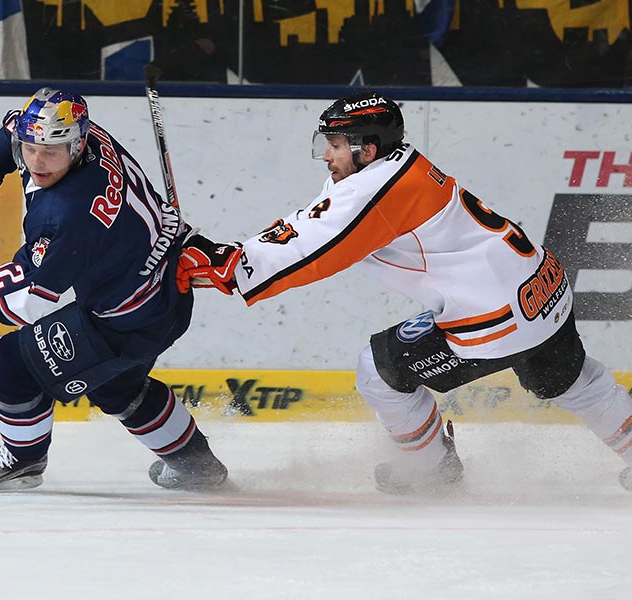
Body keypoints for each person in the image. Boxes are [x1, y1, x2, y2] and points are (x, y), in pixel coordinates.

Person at [177, 91, 632, 494]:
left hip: (497, 316)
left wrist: (228, 266)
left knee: (378, 371)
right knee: (577, 381)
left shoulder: (379, 187)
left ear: (365, 148)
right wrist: (230, 255)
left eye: (334, 146)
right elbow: (313, 221)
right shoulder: (394, 167)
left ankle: (432, 469)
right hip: (543, 287)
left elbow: (316, 249)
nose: (326, 156)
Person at [0, 87, 227, 492]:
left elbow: (23, 300)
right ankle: (198, 467)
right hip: (167, 280)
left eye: (51, 152)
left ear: (77, 144)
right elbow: (17, 123)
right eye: (30, 149)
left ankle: (23, 459)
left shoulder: (66, 215)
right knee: (116, 386)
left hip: (130, 315)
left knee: (12, 366)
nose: (38, 161)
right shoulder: (80, 132)